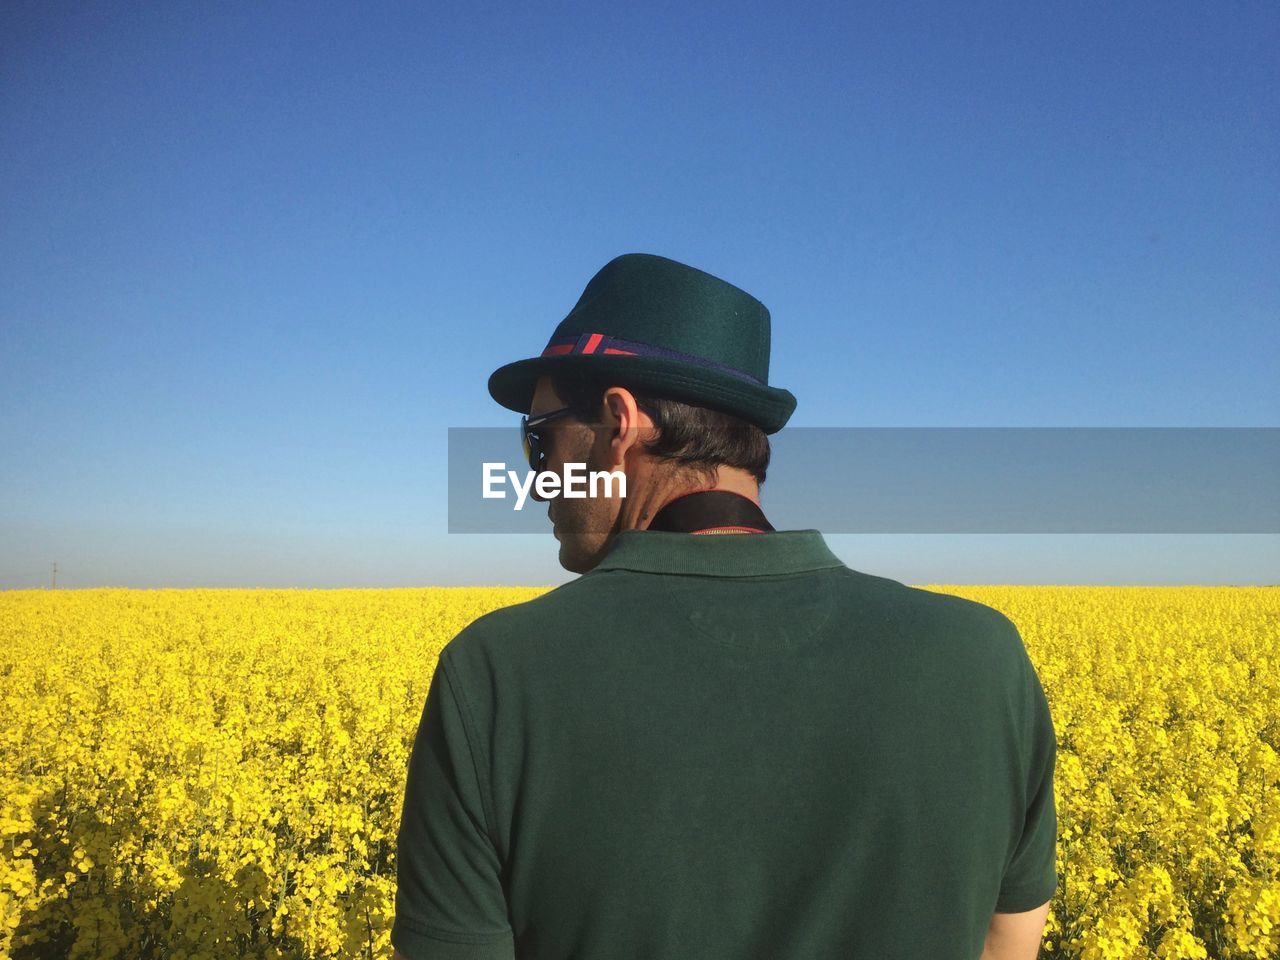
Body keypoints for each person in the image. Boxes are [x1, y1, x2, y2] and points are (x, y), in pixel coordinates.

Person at [391, 253, 1058, 959]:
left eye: (540, 440)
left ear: (619, 425)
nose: (537, 483)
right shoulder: (984, 659)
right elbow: (1006, 942)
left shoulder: (495, 676)